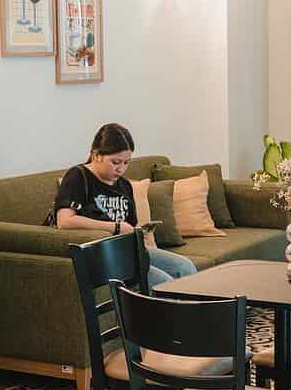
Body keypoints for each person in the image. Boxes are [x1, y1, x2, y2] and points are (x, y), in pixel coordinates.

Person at [53, 122, 197, 287]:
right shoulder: (78, 176)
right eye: (115, 162)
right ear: (96, 155)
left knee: (186, 267)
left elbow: (129, 224)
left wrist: (137, 232)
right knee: (166, 283)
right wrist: (114, 227)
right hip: (102, 255)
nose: (121, 169)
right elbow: (64, 221)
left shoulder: (124, 185)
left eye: (126, 163)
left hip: (127, 250)